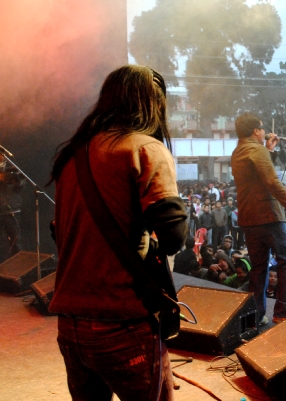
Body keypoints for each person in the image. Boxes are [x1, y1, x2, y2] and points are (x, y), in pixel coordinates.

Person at [48, 65, 187, 401]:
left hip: (70, 324)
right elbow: (174, 237)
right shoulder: (144, 149)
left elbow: (59, 233)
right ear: (153, 103)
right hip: (122, 321)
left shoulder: (72, 155)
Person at [231, 112, 286, 324]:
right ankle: (283, 313)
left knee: (258, 266)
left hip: (248, 217)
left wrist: (269, 150)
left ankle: (256, 314)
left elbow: (255, 175)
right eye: (263, 128)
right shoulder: (256, 150)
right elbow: (271, 181)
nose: (265, 131)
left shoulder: (238, 151)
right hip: (267, 215)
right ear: (256, 130)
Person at [0, 152, 23, 263]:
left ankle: (19, 266)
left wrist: (12, 179)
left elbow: (21, 183)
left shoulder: (12, 166)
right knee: (2, 243)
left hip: (11, 209)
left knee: (15, 241)